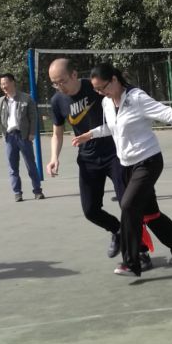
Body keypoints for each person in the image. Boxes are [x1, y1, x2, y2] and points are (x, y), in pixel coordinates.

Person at [72, 63, 172, 277]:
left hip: (148, 161)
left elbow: (168, 113)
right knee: (150, 213)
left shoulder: (136, 98)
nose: (100, 93)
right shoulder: (107, 103)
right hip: (126, 164)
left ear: (114, 80)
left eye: (102, 87)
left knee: (128, 205)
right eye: (97, 90)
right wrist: (90, 134)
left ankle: (132, 262)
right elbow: (112, 127)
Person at [47, 58, 131, 260]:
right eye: (54, 83)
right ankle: (117, 230)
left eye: (62, 81)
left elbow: (120, 99)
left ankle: (140, 252)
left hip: (113, 154)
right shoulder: (57, 101)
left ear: (74, 75)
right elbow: (57, 133)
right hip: (87, 159)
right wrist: (54, 157)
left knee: (127, 204)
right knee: (90, 210)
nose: (59, 87)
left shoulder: (94, 87)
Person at [0, 73, 45, 202]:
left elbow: (33, 117)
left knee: (31, 165)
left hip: (23, 136)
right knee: (13, 168)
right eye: (1, 84)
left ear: (13, 82)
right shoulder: (1, 101)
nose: (3, 86)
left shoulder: (26, 98)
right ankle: (17, 193)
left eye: (5, 83)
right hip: (9, 137)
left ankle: (37, 191)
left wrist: (32, 133)